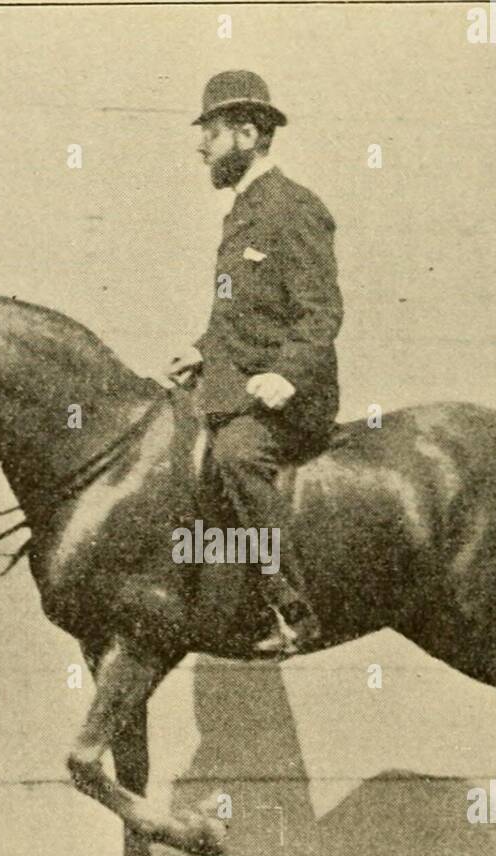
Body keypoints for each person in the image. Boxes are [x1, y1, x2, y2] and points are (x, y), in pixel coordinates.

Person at [167, 70, 343, 656]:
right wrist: (199, 349)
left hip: (286, 396)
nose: (201, 147)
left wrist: (287, 376)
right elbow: (239, 316)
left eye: (211, 134)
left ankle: (291, 605)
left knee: (237, 455)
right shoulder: (242, 211)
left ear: (247, 134)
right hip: (231, 383)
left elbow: (320, 313)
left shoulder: (294, 209)